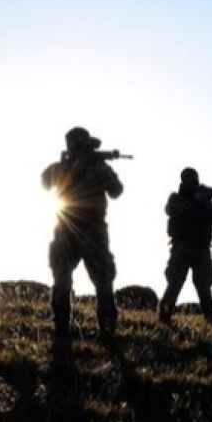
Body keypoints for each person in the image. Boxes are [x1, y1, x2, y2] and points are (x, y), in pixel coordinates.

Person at [41, 127, 124, 340]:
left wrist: (92, 166)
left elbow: (116, 190)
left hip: (77, 229)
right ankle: (93, 330)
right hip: (81, 230)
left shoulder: (86, 166)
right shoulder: (66, 167)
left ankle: (75, 330)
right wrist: (80, 167)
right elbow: (45, 181)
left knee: (89, 281)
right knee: (85, 280)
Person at [158, 167, 212, 325]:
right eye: (191, 179)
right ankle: (165, 314)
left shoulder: (203, 201)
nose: (195, 182)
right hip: (182, 247)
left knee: (204, 285)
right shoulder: (176, 198)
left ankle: (211, 318)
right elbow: (174, 209)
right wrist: (201, 200)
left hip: (201, 248)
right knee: (175, 282)